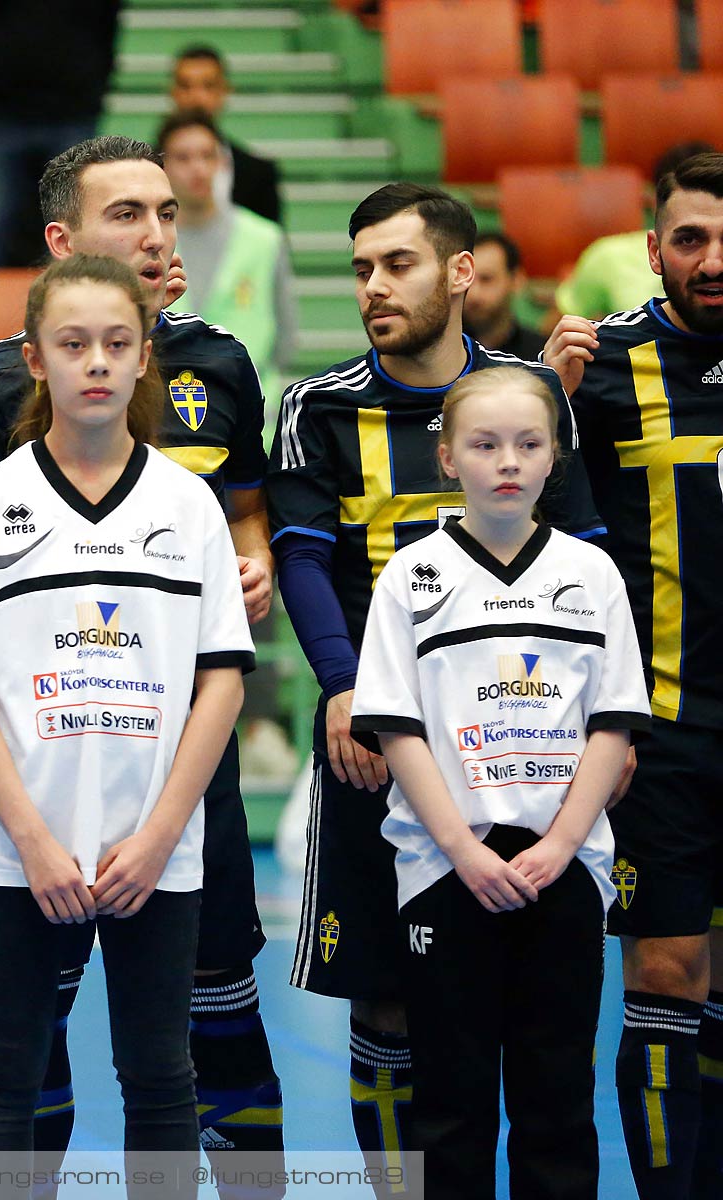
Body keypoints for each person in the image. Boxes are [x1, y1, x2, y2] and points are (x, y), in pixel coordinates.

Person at [0, 136, 284, 1195]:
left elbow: (247, 529)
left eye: (167, 212)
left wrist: (241, 567)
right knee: (20, 1049)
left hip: (174, 776)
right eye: (128, 213)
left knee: (193, 1033)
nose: (157, 234)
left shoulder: (218, 372)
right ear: (61, 240)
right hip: (34, 785)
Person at [266, 182, 606, 1194]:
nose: (374, 286)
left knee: (539, 1016)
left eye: (398, 264)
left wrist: (600, 731)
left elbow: (587, 563)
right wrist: (344, 687)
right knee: (384, 1002)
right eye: (362, 267)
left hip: (528, 750)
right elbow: (302, 561)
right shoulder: (316, 407)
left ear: (462, 273)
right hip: (379, 749)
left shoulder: (529, 401)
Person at [351, 367, 648, 1198]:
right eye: (484, 445)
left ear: (556, 456)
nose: (507, 461)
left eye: (528, 443)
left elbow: (613, 724)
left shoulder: (593, 577)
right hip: (448, 871)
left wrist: (560, 842)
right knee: (451, 1100)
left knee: (557, 1099)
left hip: (565, 869)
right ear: (448, 457)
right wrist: (461, 850)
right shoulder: (411, 578)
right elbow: (397, 728)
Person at [544, 149, 723, 1200]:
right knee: (664, 976)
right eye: (690, 239)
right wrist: (552, 396)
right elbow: (505, 500)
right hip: (659, 730)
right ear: (651, 250)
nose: (711, 261)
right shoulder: (604, 365)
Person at [0, 0, 119, 278]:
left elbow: (106, 31)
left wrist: (88, 94)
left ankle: (78, 319)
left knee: (74, 242)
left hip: (70, 115)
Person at [158, 109, 295, 381]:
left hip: (253, 405)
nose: (197, 168)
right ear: (162, 167)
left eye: (207, 156)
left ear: (222, 163)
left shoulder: (265, 238)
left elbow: (286, 333)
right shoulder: (150, 241)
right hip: (168, 404)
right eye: (183, 157)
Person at [548, 141, 714, 327]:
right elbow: (556, 328)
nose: (712, 266)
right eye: (689, 239)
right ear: (655, 202)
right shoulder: (608, 256)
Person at [167, 46, 281, 226]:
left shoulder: (258, 174)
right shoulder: (143, 169)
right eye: (186, 85)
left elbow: (272, 246)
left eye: (208, 86)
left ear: (224, 91)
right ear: (173, 92)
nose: (197, 97)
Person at [462, 232, 543, 361]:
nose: (473, 293)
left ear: (516, 280)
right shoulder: (437, 352)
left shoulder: (540, 357)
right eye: (467, 279)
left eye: (486, 279)